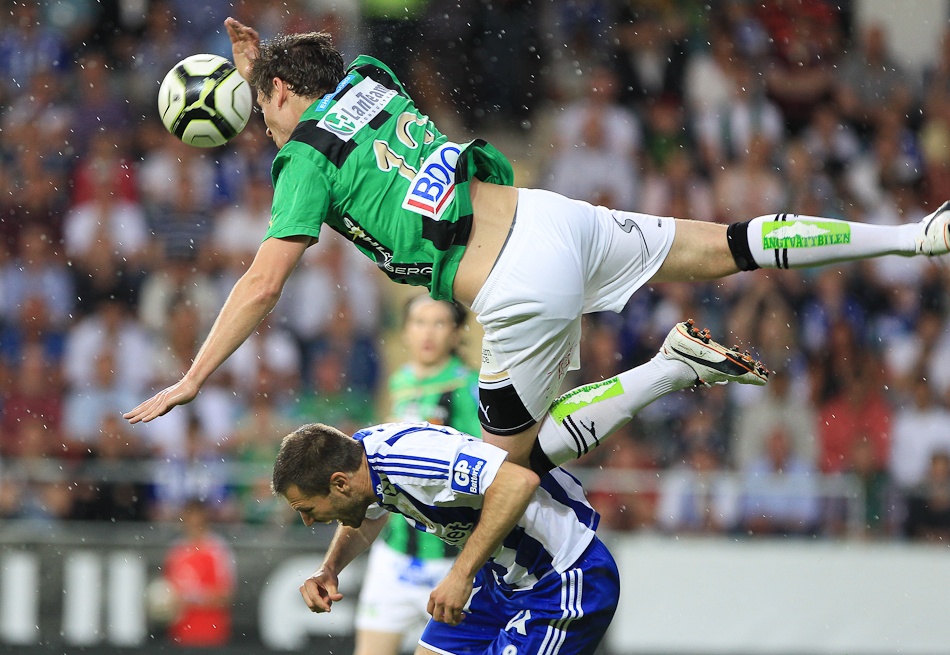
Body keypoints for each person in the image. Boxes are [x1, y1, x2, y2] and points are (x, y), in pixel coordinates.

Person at [125, 18, 950, 478]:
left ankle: (669, 367)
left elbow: (264, 281)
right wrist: (259, 71)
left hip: (514, 285)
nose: (262, 129)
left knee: (502, 475)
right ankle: (915, 236)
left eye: (263, 105)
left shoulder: (301, 160)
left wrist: (195, 376)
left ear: (275, 92)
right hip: (552, 216)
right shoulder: (371, 74)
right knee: (730, 244)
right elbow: (314, 105)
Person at [272, 421, 620, 655]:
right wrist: (330, 568)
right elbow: (369, 513)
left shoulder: (410, 461)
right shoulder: (361, 460)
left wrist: (460, 575)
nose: (307, 521)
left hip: (562, 578)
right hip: (502, 580)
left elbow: (518, 483)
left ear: (339, 483)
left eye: (307, 509)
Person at [354, 294, 479, 655]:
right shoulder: (400, 381)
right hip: (395, 554)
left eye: (440, 323)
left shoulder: (469, 386)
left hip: (449, 562)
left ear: (456, 333)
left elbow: (482, 463)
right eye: (420, 322)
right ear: (406, 331)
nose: (428, 333)